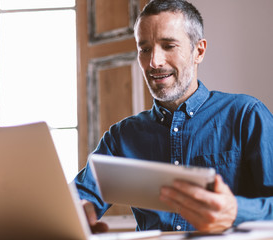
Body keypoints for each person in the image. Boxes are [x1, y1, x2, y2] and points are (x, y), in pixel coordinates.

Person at [73, 0, 273, 233]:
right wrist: (78, 212)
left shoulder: (246, 115)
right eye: (144, 49)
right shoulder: (122, 136)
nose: (154, 62)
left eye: (168, 45)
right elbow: (78, 199)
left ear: (198, 51)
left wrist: (236, 211)